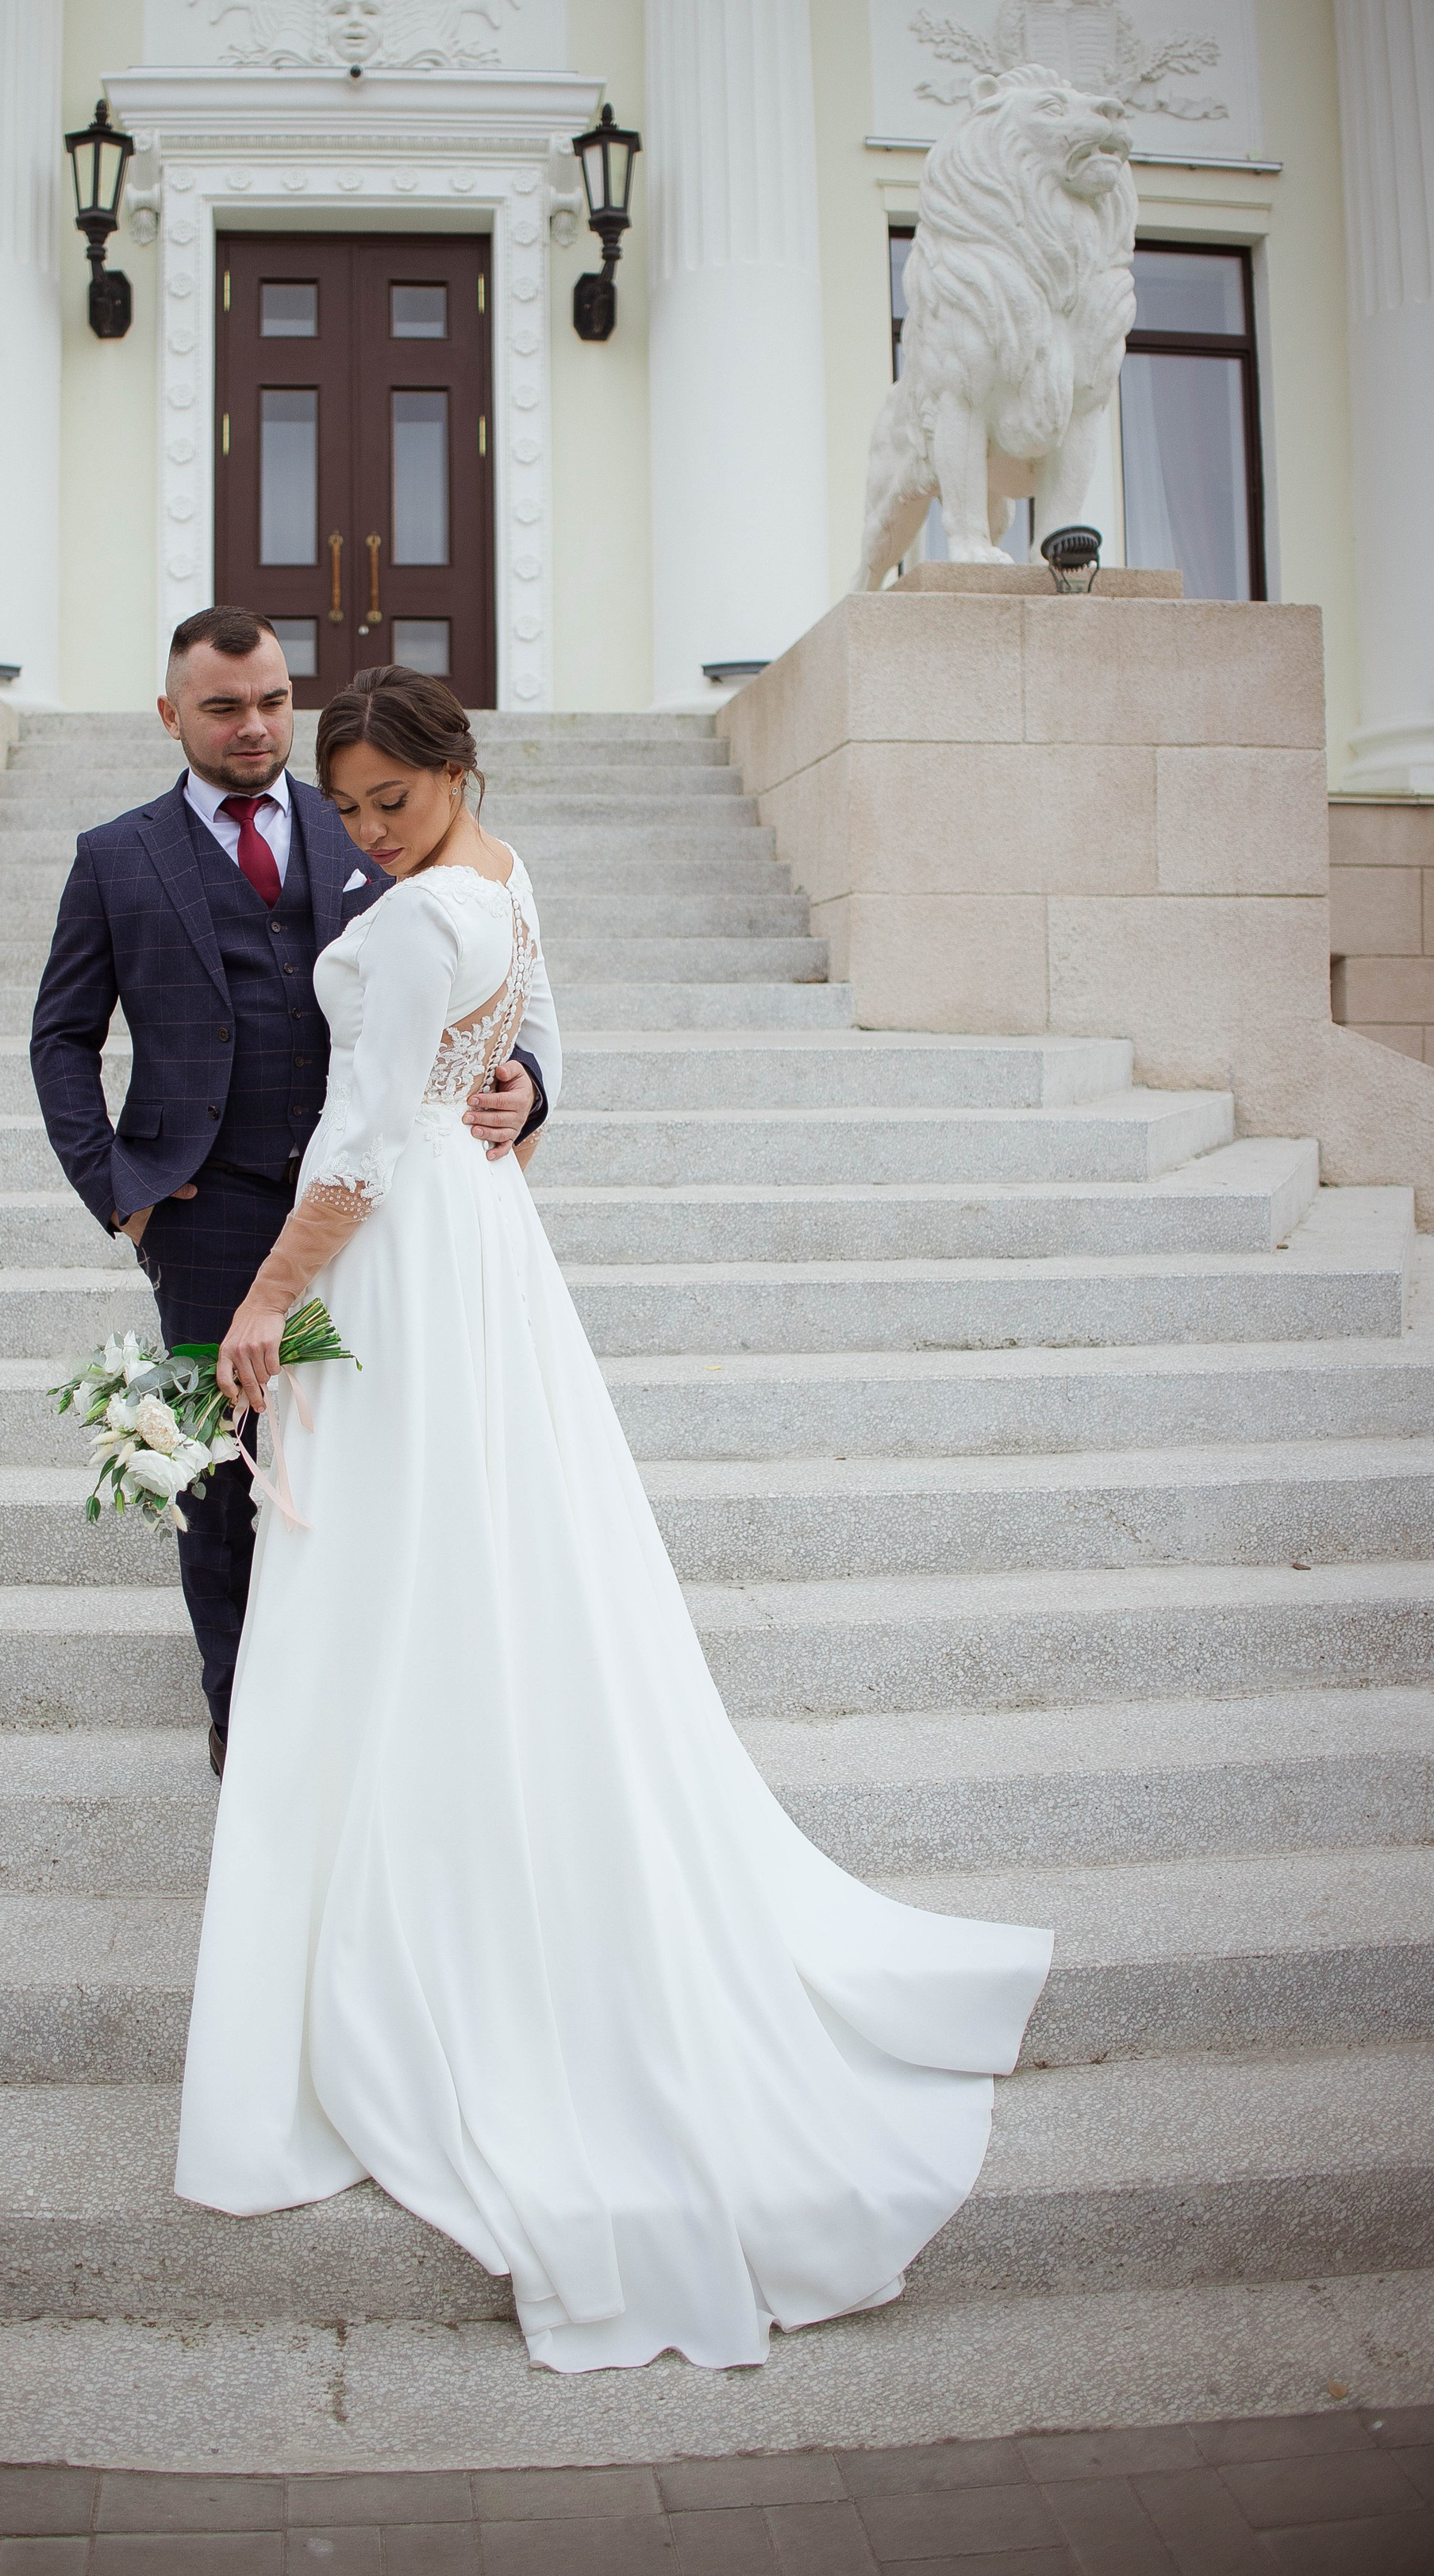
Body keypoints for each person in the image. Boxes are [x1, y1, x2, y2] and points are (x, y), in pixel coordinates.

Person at [173, 665, 1053, 2374]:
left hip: (410, 1255)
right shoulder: (499, 874)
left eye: (388, 801)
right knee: (464, 1560)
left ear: (452, 767)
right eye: (345, 807)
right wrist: (507, 1094)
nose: (362, 831)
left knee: (401, 1565)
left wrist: (267, 1306)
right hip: (475, 1251)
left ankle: (417, 1898)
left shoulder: (432, 913)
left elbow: (357, 1148)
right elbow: (519, 1037)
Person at [29, 610, 544, 1774]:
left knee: (366, 1470)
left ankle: (363, 1722)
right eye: (223, 706)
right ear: (171, 715)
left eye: (271, 699)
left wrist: (527, 1085)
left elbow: (479, 984)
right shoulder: (115, 856)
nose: (255, 724)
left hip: (377, 1218)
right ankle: (245, 1729)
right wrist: (125, 1192)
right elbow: (61, 1039)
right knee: (225, 1483)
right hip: (207, 1215)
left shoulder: (374, 816)